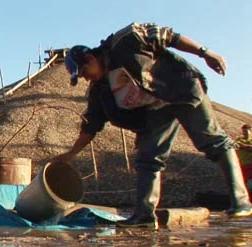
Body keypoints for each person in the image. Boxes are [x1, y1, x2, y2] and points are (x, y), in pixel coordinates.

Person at [55, 22, 252, 229]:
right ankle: (144, 217)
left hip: (180, 90)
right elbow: (91, 124)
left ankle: (241, 201)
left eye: (85, 72)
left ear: (90, 58)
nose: (86, 78)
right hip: (156, 109)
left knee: (212, 142)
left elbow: (170, 37)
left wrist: (205, 53)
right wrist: (71, 154)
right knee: (148, 158)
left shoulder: (127, 40)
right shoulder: (100, 90)